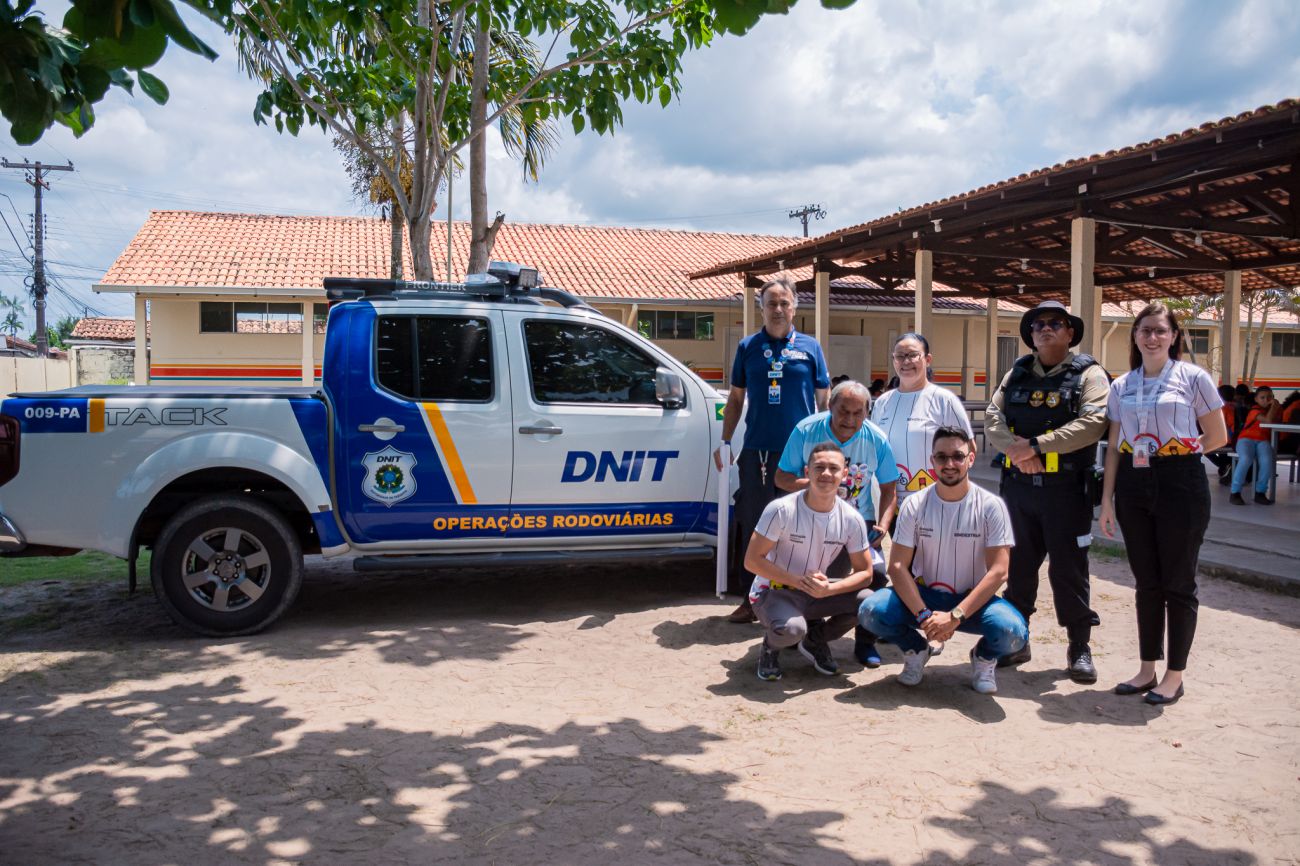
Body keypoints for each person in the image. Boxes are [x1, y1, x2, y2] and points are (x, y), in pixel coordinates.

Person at [1098, 302, 1228, 706]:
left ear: (1173, 336)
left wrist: (1176, 453)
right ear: (1135, 337)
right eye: (1145, 330)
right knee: (1146, 582)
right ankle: (1146, 669)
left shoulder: (1193, 378)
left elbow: (1218, 436)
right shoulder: (1122, 386)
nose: (1152, 337)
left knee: (1179, 582)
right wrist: (1107, 500)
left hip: (1181, 483)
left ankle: (1174, 676)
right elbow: (1114, 447)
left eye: (1160, 330)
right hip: (1133, 483)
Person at [984, 301, 1109, 683]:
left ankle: (1079, 646)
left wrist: (1036, 446)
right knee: (1019, 568)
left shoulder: (1089, 374)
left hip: (1066, 491)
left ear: (1070, 332)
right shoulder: (1017, 372)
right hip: (1019, 488)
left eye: (1056, 323)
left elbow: (1094, 423)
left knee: (1069, 570)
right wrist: (1018, 453)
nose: (1046, 328)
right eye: (1038, 324)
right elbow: (992, 417)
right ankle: (1016, 641)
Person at [857, 426, 1027, 694]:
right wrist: (924, 616)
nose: (949, 464)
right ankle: (916, 649)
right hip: (923, 597)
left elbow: (999, 571)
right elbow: (898, 566)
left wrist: (955, 616)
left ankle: (983, 657)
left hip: (971, 601)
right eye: (941, 457)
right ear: (932, 460)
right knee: (870, 612)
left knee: (1014, 633)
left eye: (958, 456)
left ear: (971, 458)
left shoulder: (991, 506)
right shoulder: (914, 504)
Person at [715, 276, 830, 623]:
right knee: (754, 525)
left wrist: (825, 449)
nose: (778, 309)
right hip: (757, 454)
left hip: (799, 457)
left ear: (794, 307)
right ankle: (751, 600)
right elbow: (736, 400)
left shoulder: (810, 348)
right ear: (761, 308)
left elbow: (824, 401)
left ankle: (799, 598)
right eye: (771, 303)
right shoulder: (747, 347)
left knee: (799, 528)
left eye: (784, 303)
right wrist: (724, 441)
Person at [774, 379, 899, 667]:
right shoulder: (806, 430)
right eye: (843, 411)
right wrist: (818, 485)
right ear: (830, 406)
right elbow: (781, 477)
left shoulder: (876, 439)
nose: (850, 420)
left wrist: (883, 524)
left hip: (859, 521)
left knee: (876, 577)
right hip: (812, 519)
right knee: (812, 578)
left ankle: (863, 641)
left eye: (858, 413)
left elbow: (890, 488)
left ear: (867, 412)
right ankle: (802, 628)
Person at [746, 443, 878, 681]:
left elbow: (865, 573)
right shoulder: (781, 509)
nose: (826, 473)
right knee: (792, 630)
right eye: (819, 467)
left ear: (844, 474)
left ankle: (814, 641)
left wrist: (830, 589)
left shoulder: (852, 518)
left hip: (817, 591)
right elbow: (752, 561)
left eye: (833, 468)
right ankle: (770, 647)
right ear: (807, 472)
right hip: (774, 590)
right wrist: (798, 581)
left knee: (869, 604)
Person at [870, 332, 973, 502]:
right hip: (889, 503)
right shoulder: (882, 402)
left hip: (934, 502)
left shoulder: (944, 400)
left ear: (928, 359)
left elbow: (968, 449)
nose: (906, 361)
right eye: (900, 356)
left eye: (913, 355)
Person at [1230, 385, 1283, 505]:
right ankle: (1235, 492)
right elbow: (1268, 420)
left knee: (1267, 460)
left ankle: (1260, 492)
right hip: (1246, 439)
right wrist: (1274, 407)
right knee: (1246, 458)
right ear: (1256, 399)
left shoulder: (1274, 410)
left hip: (1263, 440)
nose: (1266, 400)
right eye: (1262, 397)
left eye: (1269, 397)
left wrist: (1275, 407)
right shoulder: (1254, 411)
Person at [1204, 384, 1238, 485]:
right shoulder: (1232, 407)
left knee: (1203, 449)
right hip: (1230, 440)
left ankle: (1224, 465)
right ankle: (1225, 465)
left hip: (1225, 441)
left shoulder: (1222, 408)